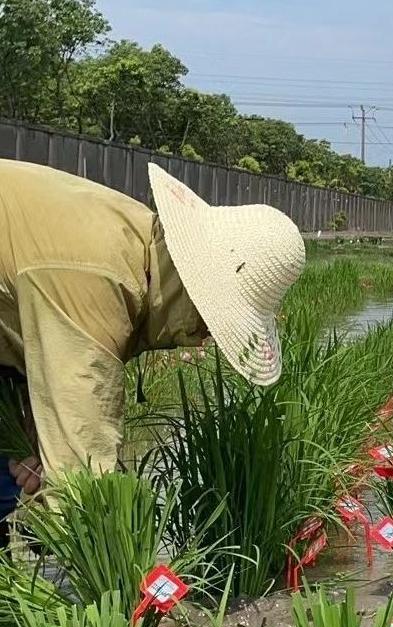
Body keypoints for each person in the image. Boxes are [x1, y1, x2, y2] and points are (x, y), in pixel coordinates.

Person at [0, 160, 306, 537]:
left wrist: (41, 450)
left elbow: (48, 377)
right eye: (213, 321)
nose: (207, 336)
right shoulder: (100, 278)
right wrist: (112, 570)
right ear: (194, 289)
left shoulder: (131, 241)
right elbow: (82, 470)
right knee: (56, 505)